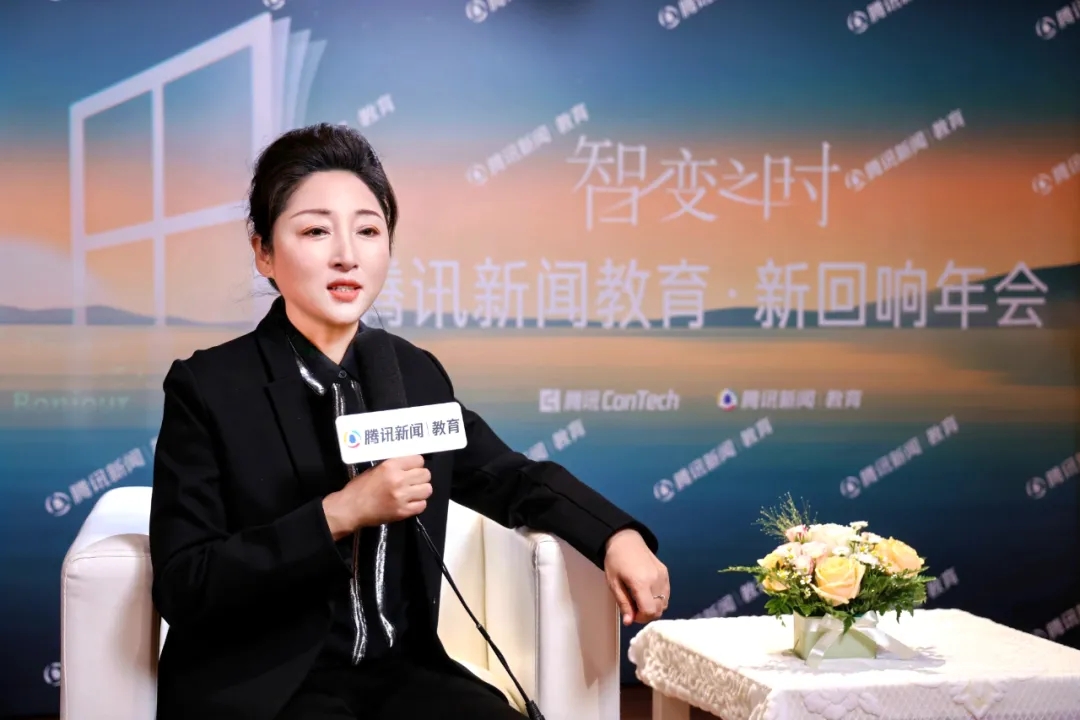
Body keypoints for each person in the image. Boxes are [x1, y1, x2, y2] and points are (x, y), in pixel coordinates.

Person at [148, 122, 670, 720]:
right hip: (269, 686)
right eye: (316, 230)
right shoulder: (209, 388)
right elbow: (185, 583)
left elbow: (509, 477)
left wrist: (616, 536)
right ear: (263, 250)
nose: (347, 254)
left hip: (402, 675)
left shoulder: (411, 374)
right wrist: (339, 514)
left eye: (368, 230)